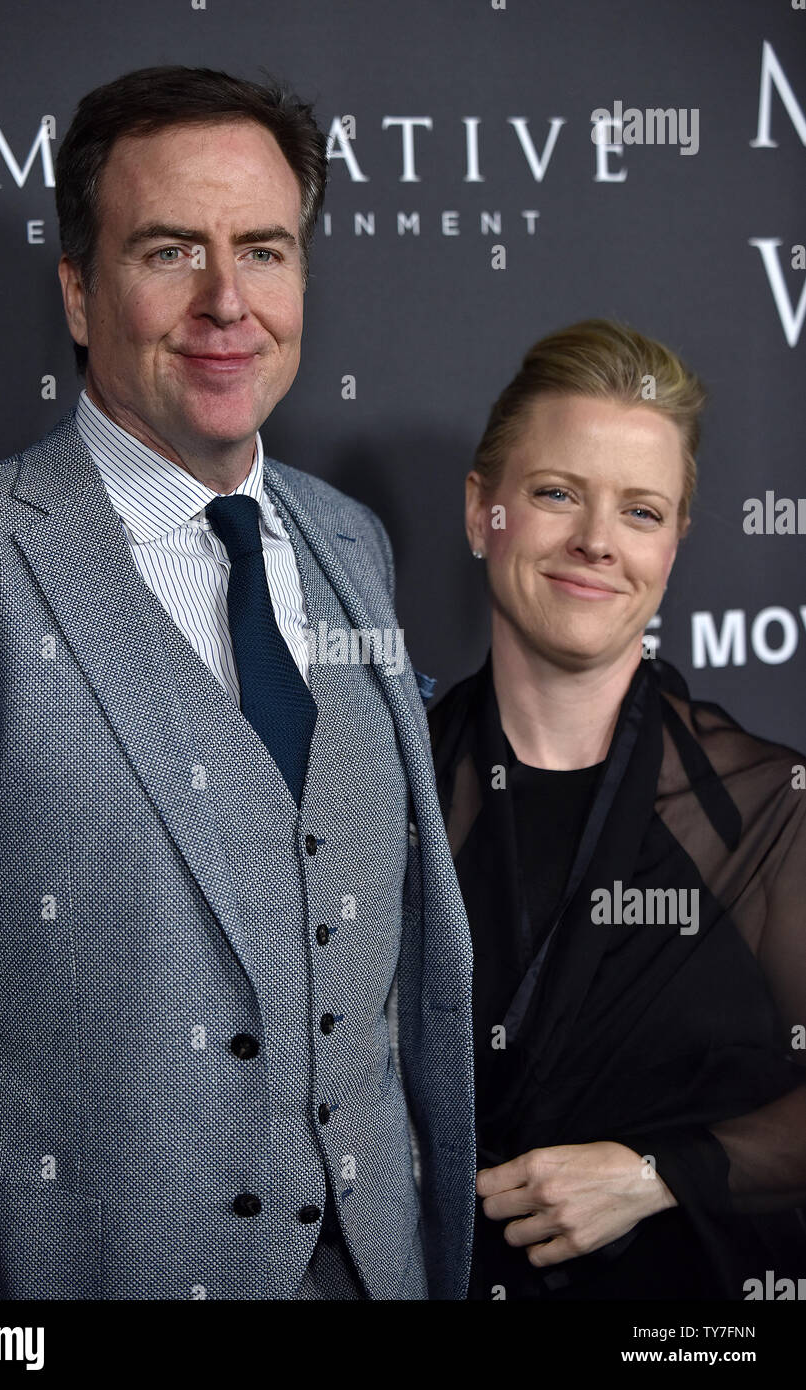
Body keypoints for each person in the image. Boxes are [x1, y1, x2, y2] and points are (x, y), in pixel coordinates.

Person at [0, 66, 475, 1301]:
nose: (227, 302)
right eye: (169, 251)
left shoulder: (348, 541)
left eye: (262, 250)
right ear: (79, 293)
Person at [428, 318, 806, 1300]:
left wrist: (651, 1177)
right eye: (556, 494)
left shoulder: (771, 809)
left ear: (674, 544)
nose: (595, 542)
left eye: (640, 512)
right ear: (482, 513)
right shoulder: (385, 794)